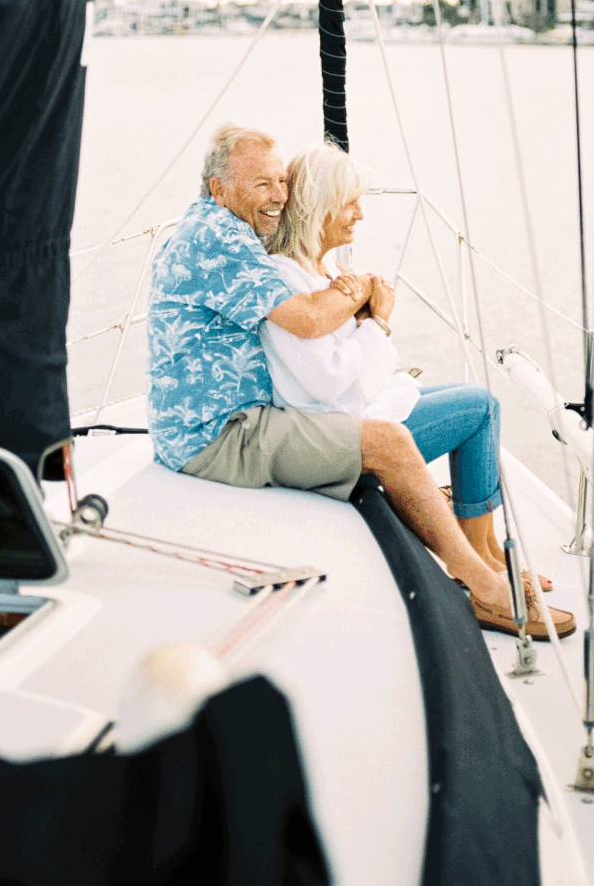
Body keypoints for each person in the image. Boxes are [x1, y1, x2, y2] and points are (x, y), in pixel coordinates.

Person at [147, 123, 572, 639]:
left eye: (282, 182)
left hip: (218, 421)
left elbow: (312, 324)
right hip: (220, 433)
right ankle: (482, 585)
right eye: (262, 184)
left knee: (465, 406)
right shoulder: (221, 238)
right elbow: (305, 322)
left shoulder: (224, 232)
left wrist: (352, 300)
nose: (279, 195)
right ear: (220, 189)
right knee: (391, 440)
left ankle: (483, 556)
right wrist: (367, 304)